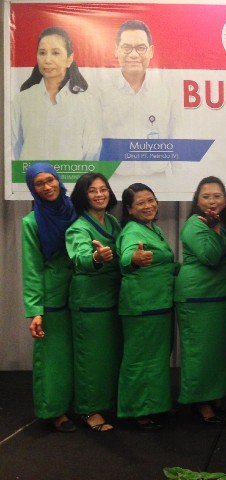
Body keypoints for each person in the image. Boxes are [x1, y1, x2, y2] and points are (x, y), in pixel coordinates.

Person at [22, 162, 77, 432]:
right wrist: (35, 310)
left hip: (81, 292)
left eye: (50, 180)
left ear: (58, 180)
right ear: (32, 189)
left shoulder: (75, 210)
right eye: (39, 184)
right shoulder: (31, 222)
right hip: (52, 296)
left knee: (80, 352)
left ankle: (82, 404)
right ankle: (55, 411)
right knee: (54, 357)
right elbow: (32, 268)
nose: (46, 187)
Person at [175, 177, 226, 424]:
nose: (212, 201)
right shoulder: (194, 224)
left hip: (219, 297)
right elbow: (210, 255)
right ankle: (199, 401)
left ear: (225, 200)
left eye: (217, 196)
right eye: (206, 196)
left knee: (218, 352)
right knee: (199, 353)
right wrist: (217, 230)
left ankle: (212, 396)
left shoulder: (221, 223)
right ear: (197, 201)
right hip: (197, 298)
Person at [65, 173, 122, 432]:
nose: (100, 194)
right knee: (91, 359)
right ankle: (89, 410)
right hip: (90, 301)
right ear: (82, 195)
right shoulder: (78, 227)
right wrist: (97, 258)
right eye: (92, 191)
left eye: (103, 189)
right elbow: (81, 257)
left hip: (112, 297)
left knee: (109, 357)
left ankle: (106, 404)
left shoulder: (112, 221)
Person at [116, 183, 176, 429]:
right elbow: (126, 256)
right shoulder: (132, 231)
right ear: (129, 209)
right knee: (140, 360)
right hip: (142, 307)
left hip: (158, 304)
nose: (148, 206)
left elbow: (164, 263)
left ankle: (152, 406)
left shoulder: (154, 229)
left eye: (151, 200)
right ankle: (137, 411)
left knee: (155, 360)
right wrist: (134, 259)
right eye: (140, 203)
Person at [100, 20, 180, 178]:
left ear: (151, 51)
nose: (134, 54)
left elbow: (176, 141)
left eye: (141, 48)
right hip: (114, 180)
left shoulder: (166, 92)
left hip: (158, 179)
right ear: (116, 50)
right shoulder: (102, 93)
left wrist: (179, 183)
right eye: (126, 47)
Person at [12, 27, 102, 161]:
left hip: (74, 175)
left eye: (55, 53)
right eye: (42, 53)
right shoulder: (22, 100)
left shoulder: (88, 102)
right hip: (30, 175)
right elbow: (14, 148)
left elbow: (91, 153)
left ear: (69, 59)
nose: (47, 60)